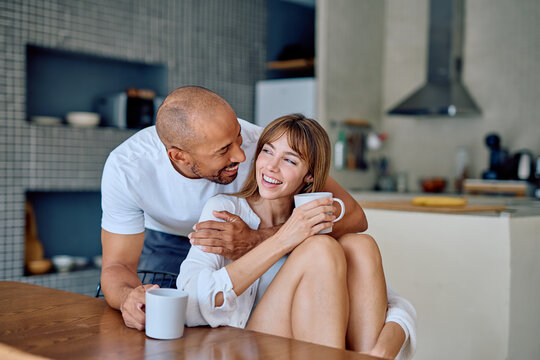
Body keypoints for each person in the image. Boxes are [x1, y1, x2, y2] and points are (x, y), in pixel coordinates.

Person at [100, 86, 370, 331]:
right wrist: (128, 297)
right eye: (224, 150)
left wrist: (259, 238)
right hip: (165, 242)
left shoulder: (265, 149)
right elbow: (117, 265)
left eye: (238, 137)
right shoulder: (127, 169)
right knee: (158, 325)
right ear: (180, 157)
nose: (242, 156)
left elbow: (354, 216)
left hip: (250, 237)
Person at [178, 114, 416, 359]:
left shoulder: (315, 222)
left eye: (289, 160)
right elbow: (190, 305)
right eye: (267, 151)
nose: (271, 166)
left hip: (311, 345)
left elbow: (392, 304)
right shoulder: (225, 210)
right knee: (320, 248)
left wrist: (379, 352)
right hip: (247, 346)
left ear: (310, 176)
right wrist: (284, 239)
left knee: (360, 244)